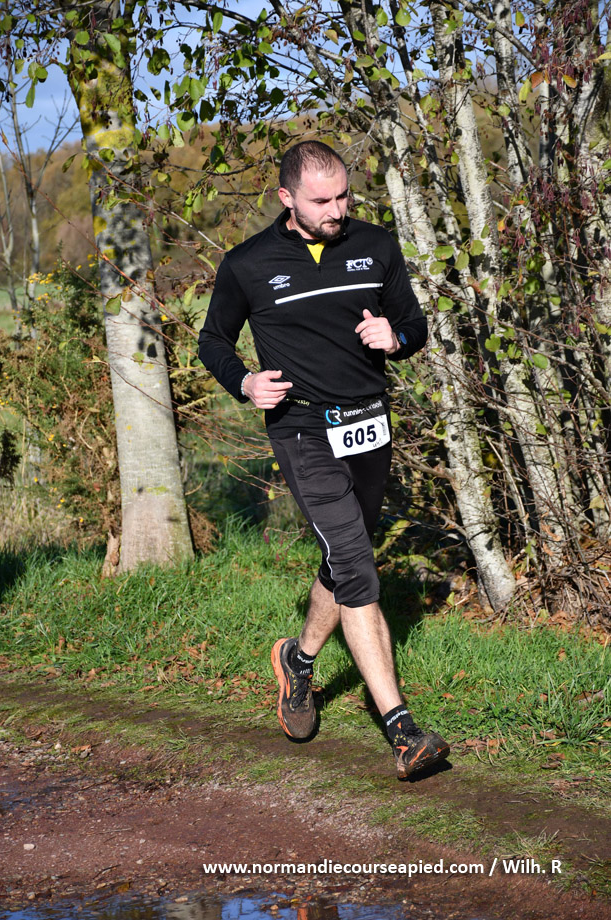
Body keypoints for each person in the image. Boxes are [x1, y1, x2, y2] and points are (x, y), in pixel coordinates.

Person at [198, 140, 449, 779]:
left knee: (345, 553)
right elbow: (213, 339)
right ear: (286, 198)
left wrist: (396, 337)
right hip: (303, 427)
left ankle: (299, 660)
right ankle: (402, 729)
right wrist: (244, 382)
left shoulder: (376, 245)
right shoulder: (248, 264)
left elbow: (413, 324)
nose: (336, 210)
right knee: (357, 564)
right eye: (321, 201)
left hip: (369, 421)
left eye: (343, 196)